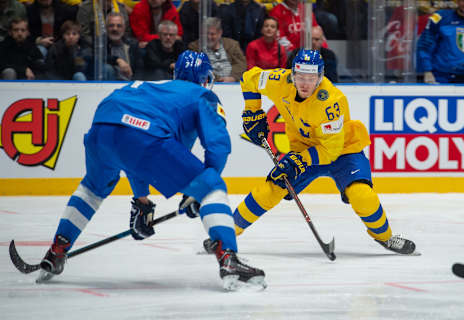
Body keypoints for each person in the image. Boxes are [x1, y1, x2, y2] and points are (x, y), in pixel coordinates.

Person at [37, 50, 266, 291]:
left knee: (92, 189)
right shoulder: (201, 95)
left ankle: (57, 250)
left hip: (103, 127)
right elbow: (218, 146)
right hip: (143, 133)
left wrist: (142, 200)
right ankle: (228, 258)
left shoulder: (151, 85)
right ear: (206, 78)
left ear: (175, 73)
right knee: (212, 187)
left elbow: (135, 153)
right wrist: (202, 188)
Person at [203, 49, 417, 256]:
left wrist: (300, 160)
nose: (305, 83)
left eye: (311, 78)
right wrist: (252, 111)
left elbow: (330, 150)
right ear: (292, 74)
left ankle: (385, 237)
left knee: (362, 195)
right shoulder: (280, 80)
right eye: (301, 77)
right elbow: (250, 78)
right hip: (303, 149)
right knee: (270, 189)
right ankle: (226, 235)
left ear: (320, 77)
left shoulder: (331, 101)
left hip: (343, 151)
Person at [417, 0, 464, 83]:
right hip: (442, 76)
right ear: (457, 1)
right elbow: (425, 44)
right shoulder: (440, 17)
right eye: (463, 0)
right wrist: (427, 70)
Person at [188, 17, 246, 82]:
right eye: (206, 33)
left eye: (212, 34)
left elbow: (242, 64)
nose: (209, 37)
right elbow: (197, 68)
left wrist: (233, 78)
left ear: (220, 33)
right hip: (209, 84)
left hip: (233, 83)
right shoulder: (195, 47)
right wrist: (218, 79)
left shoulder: (232, 45)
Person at [105, 12, 144, 80]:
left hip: (129, 84)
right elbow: (98, 57)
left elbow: (140, 68)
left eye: (119, 26)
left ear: (124, 28)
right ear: (106, 28)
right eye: (111, 25)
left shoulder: (132, 44)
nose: (115, 29)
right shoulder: (101, 44)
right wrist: (118, 60)